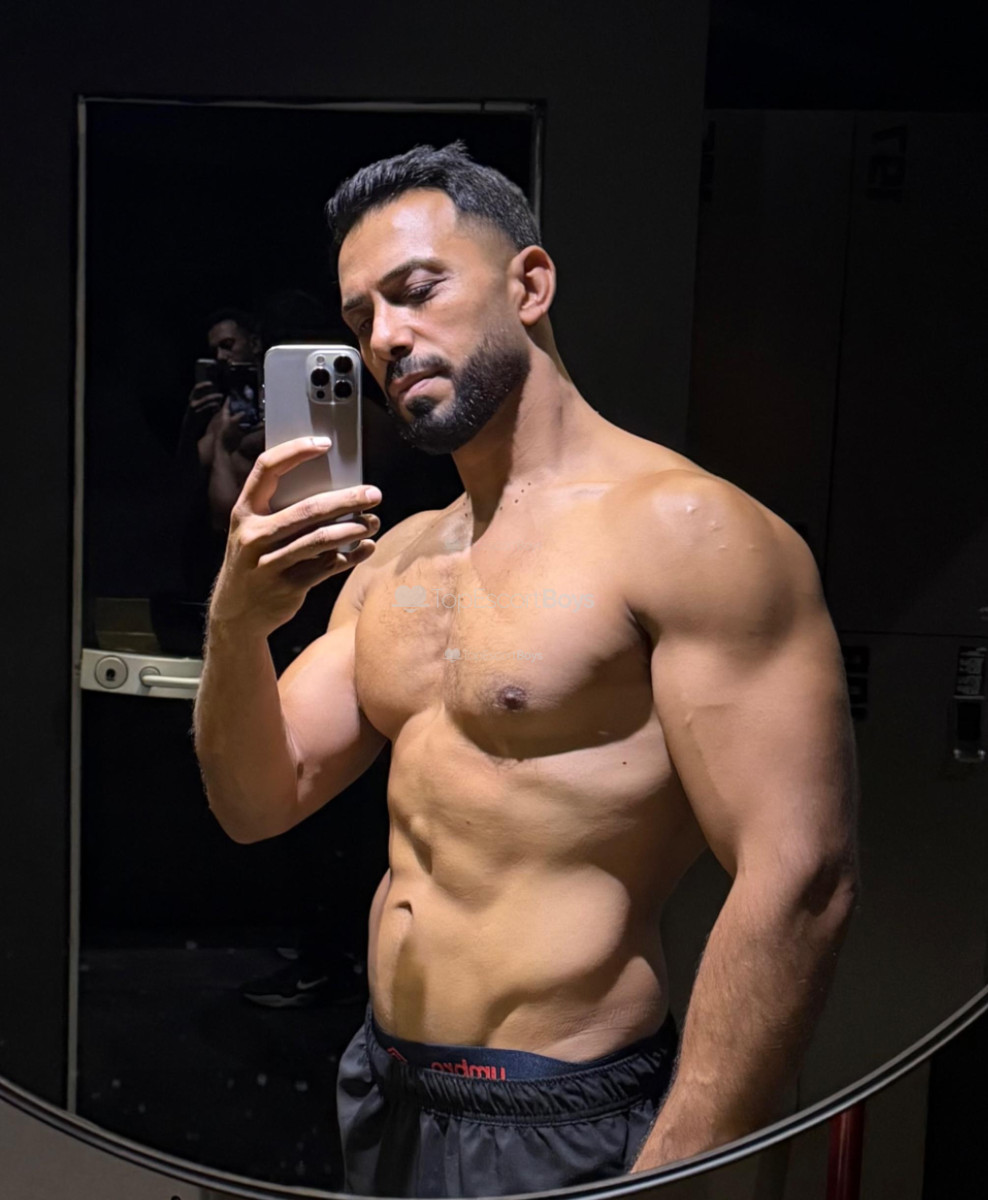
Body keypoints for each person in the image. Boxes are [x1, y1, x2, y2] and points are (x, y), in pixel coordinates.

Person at [192, 143, 859, 1198]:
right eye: (362, 318)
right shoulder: (398, 561)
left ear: (530, 285)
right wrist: (237, 622)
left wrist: (676, 1166)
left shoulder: (685, 532)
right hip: (385, 1086)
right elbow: (254, 802)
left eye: (417, 290)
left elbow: (801, 877)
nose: (387, 338)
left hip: (563, 1111)